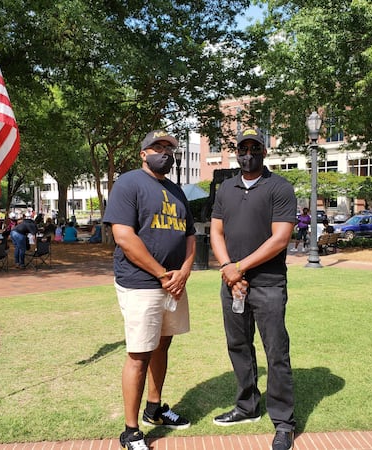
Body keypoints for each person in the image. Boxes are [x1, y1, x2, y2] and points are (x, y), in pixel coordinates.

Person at [103, 129, 196, 450]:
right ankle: (130, 431)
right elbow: (124, 237)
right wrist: (161, 275)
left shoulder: (177, 190)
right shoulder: (128, 184)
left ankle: (154, 409)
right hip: (141, 283)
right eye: (158, 147)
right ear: (143, 153)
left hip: (174, 284)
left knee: (162, 346)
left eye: (169, 148)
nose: (165, 152)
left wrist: (183, 271)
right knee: (139, 354)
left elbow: (190, 236)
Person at [209, 127, 297, 450]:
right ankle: (247, 406)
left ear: (264, 151)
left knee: (276, 351)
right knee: (239, 346)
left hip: (268, 284)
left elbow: (280, 238)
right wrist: (227, 269)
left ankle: (284, 421)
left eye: (254, 148)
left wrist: (239, 267)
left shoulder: (279, 187)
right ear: (236, 152)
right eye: (243, 148)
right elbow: (216, 232)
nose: (248, 154)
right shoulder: (226, 189)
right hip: (232, 283)